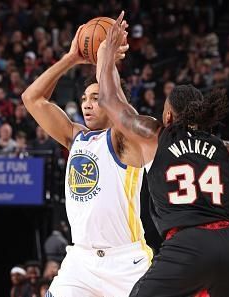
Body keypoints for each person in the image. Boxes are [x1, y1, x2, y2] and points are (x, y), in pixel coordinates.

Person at [97, 11, 229, 297]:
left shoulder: (155, 135)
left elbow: (109, 99)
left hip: (187, 246)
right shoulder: (227, 149)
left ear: (167, 114)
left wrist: (107, 56)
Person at [22, 25, 153, 297]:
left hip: (125, 262)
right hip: (80, 260)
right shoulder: (76, 137)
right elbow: (32, 98)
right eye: (84, 99)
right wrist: (71, 58)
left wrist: (106, 61)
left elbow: (114, 99)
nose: (87, 104)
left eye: (96, 98)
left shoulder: (125, 139)